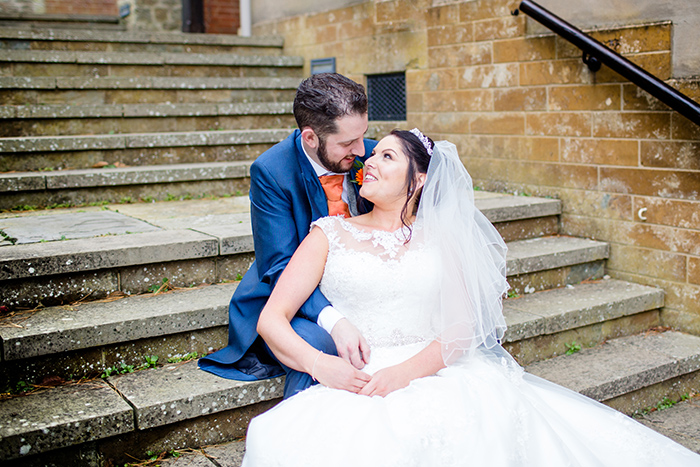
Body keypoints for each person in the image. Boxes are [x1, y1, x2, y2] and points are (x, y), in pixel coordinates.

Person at [241, 129, 700, 466]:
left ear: (418, 181)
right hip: (356, 376)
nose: (368, 162)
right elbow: (272, 319)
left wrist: (403, 374)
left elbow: (460, 331)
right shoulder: (328, 234)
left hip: (434, 369)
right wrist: (322, 366)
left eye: (385, 156)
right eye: (370, 154)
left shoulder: (444, 240)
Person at [198, 73, 378, 399]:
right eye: (348, 143)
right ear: (310, 138)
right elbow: (280, 265)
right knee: (322, 345)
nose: (362, 149)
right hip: (297, 297)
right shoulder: (272, 171)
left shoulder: (371, 154)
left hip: (362, 282)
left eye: (362, 135)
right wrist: (334, 320)